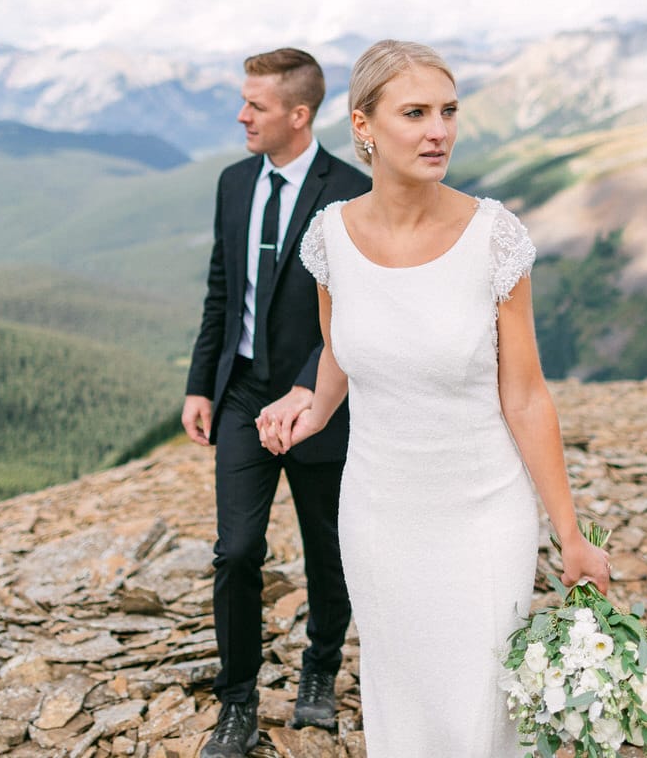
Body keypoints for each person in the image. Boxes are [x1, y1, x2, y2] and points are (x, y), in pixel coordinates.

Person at [257, 39, 610, 755]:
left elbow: (528, 398)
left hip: (484, 514)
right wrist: (310, 407)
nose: (438, 130)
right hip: (379, 514)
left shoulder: (494, 238)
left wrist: (570, 535)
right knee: (401, 700)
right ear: (364, 125)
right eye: (414, 112)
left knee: (481, 706)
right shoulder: (330, 238)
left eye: (447, 111)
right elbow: (341, 352)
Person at [183, 47, 371, 758]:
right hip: (241, 395)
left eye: (254, 106)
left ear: (298, 114)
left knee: (328, 551)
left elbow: (359, 311)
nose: (241, 116)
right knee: (236, 551)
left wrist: (309, 388)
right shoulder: (234, 183)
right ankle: (237, 705)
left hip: (323, 396)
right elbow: (221, 291)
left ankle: (318, 673)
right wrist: (202, 384)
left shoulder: (352, 191)